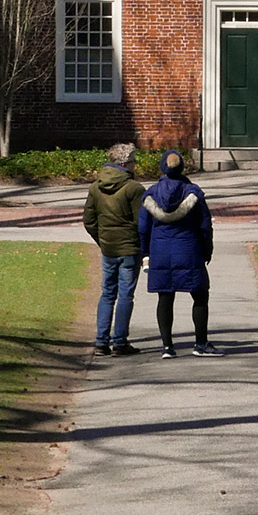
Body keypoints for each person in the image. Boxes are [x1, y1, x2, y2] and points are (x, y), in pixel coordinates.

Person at [137, 150, 215, 358]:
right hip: (189, 250)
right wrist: (207, 250)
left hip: (160, 252)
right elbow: (204, 225)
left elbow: (143, 229)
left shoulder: (151, 194)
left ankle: (167, 347)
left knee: (165, 296)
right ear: (181, 168)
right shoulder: (193, 193)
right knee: (199, 295)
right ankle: (200, 343)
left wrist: (145, 254)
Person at [83, 143, 145, 357]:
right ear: (126, 163)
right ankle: (120, 341)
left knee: (108, 293)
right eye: (134, 160)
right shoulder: (134, 189)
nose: (136, 164)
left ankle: (101, 341)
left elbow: (89, 221)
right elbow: (142, 223)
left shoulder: (95, 187)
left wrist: (102, 240)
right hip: (129, 248)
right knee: (126, 294)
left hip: (108, 248)